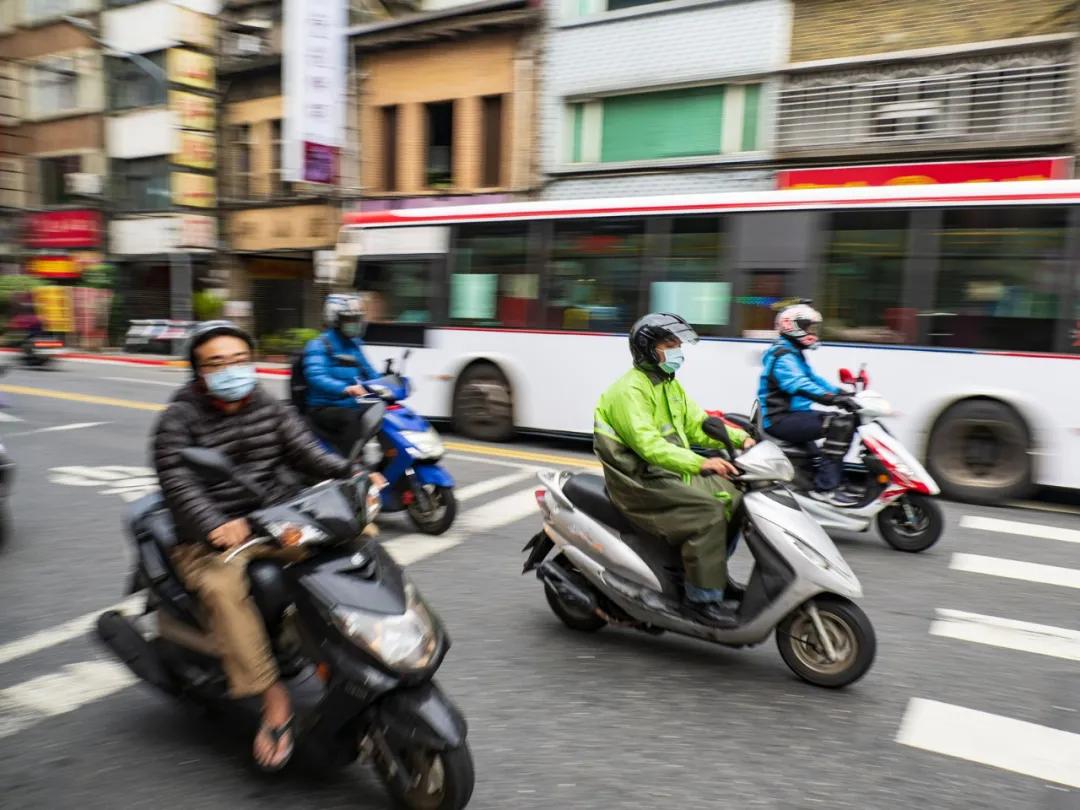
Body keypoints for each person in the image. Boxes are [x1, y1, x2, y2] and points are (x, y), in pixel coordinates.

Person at [153, 321, 351, 771]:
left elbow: (307, 452)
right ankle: (273, 697)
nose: (231, 370)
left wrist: (351, 473)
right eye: (217, 363)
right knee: (223, 590)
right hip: (211, 538)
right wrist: (214, 525)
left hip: (274, 519)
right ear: (199, 372)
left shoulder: (268, 405)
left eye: (239, 359)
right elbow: (178, 483)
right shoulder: (178, 419)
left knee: (355, 539)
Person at [593, 313, 755, 626]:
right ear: (648, 349)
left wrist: (742, 438)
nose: (677, 351)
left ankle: (713, 577)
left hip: (668, 471)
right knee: (708, 512)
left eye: (678, 345)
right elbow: (650, 446)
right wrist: (701, 463)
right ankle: (700, 600)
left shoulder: (669, 385)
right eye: (670, 345)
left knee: (737, 496)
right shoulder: (629, 391)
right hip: (640, 480)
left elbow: (698, 424)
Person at [757, 302, 859, 505]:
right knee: (839, 425)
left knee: (844, 422)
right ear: (792, 327)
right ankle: (826, 489)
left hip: (793, 415)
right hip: (780, 419)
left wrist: (842, 393)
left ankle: (832, 482)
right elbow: (799, 384)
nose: (813, 333)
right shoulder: (782, 355)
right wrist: (833, 399)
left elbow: (814, 380)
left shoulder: (793, 353)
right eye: (809, 328)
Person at [303, 293, 380, 441]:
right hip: (323, 406)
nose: (355, 324)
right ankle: (350, 456)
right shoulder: (318, 345)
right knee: (352, 420)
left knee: (378, 416)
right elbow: (316, 377)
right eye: (350, 320)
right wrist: (346, 389)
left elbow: (369, 371)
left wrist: (385, 383)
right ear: (335, 321)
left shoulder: (354, 345)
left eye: (357, 319)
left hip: (350, 404)